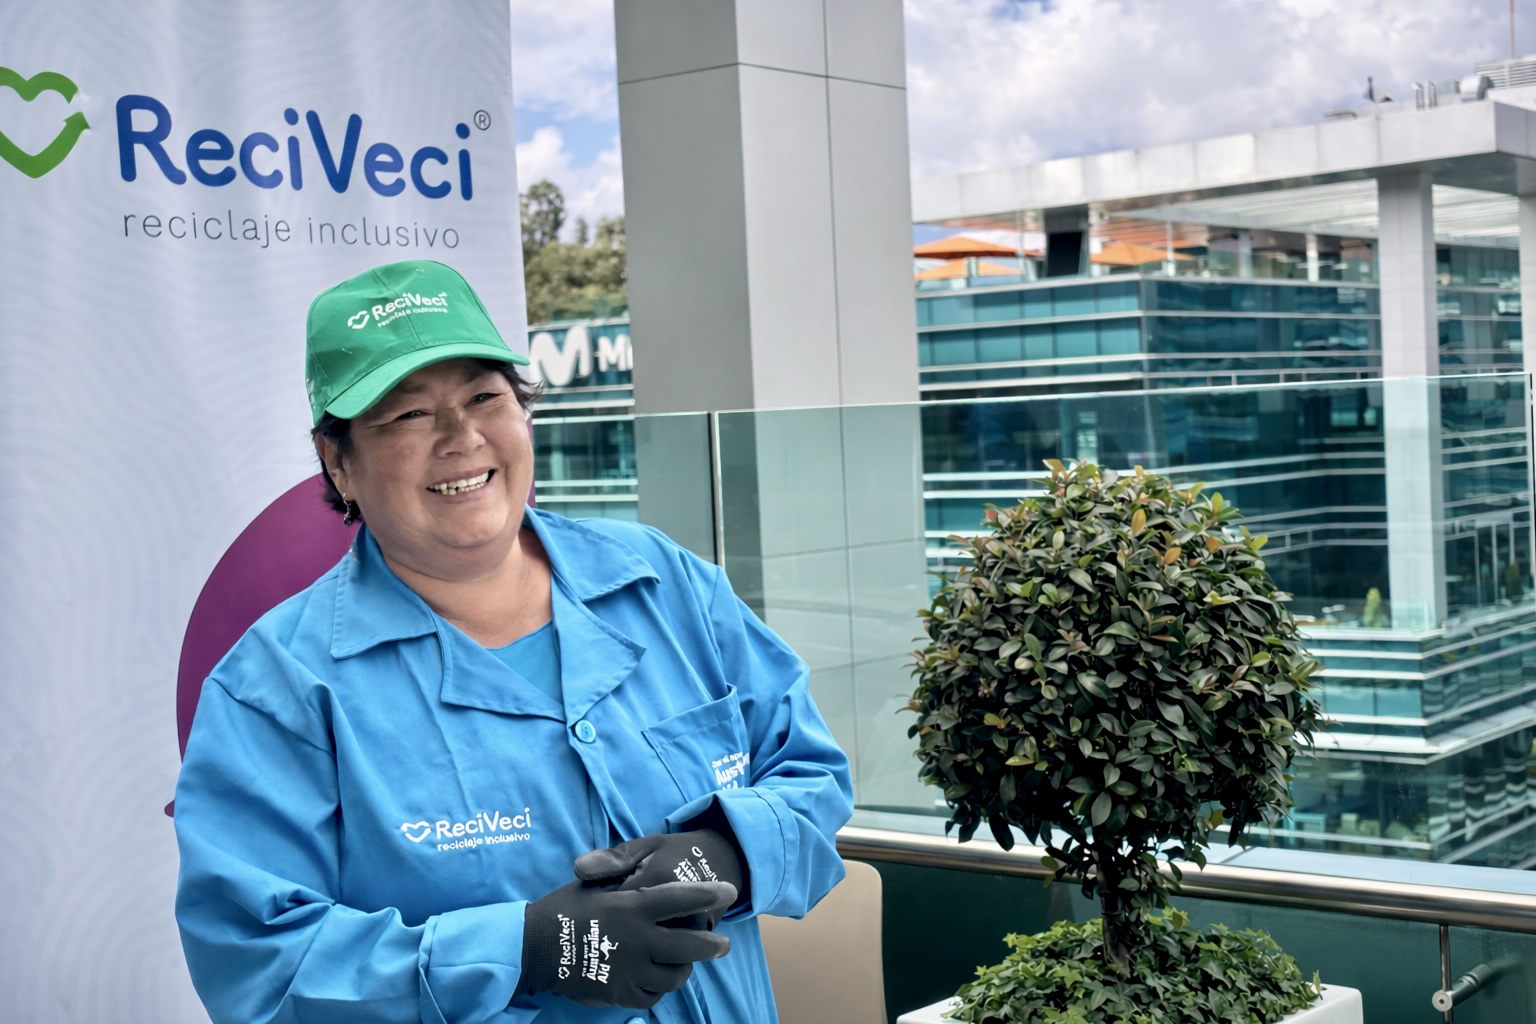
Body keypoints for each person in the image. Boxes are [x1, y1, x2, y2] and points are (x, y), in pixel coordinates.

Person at [173, 259, 854, 1024]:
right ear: (339, 462)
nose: (461, 437)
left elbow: (811, 771)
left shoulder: (665, 583)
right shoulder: (277, 691)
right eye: (408, 415)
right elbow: (258, 967)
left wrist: (726, 849)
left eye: (484, 397)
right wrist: (528, 949)